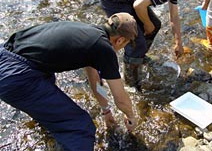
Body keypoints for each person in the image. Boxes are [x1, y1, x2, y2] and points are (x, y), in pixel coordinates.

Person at [0, 13, 138, 151]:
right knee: (80, 126)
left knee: (49, 81)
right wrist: (131, 117)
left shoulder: (90, 34)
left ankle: (51, 130)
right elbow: (120, 99)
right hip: (16, 76)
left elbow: (95, 80)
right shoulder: (105, 49)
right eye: (126, 44)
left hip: (7, 56)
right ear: (120, 40)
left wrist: (106, 111)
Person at [99, 0, 209, 86]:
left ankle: (137, 57)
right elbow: (139, 6)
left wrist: (179, 43)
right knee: (136, 39)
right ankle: (131, 82)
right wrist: (147, 24)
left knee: (155, 25)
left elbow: (174, 16)